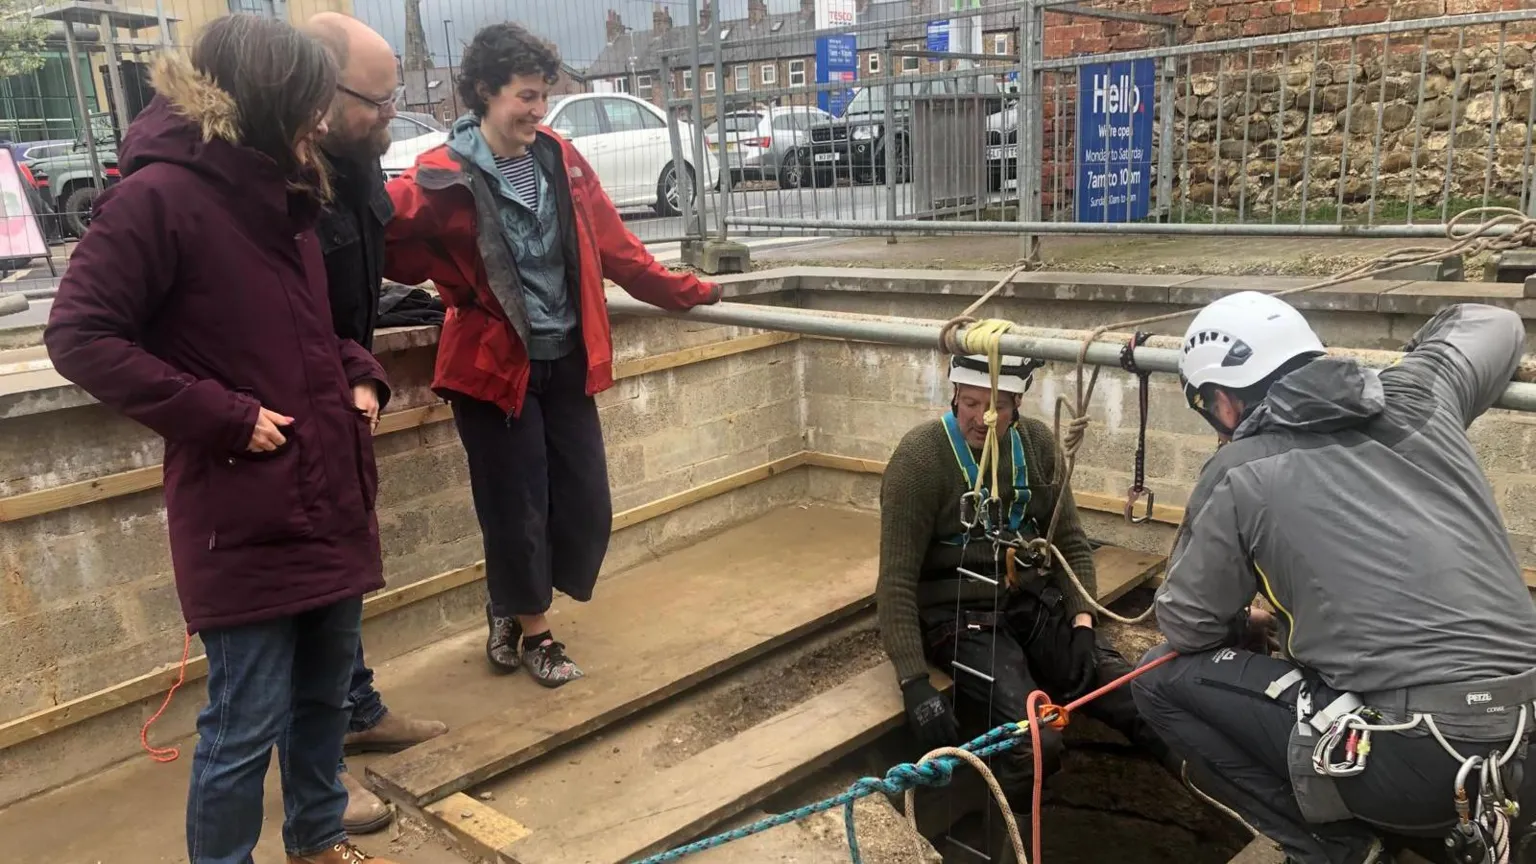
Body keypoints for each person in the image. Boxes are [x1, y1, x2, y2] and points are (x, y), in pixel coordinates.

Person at [42, 15, 400, 864]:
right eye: (310, 106)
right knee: (244, 724)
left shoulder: (285, 192)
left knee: (322, 703)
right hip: (243, 509)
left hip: (328, 495)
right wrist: (225, 417)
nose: (321, 124)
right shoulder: (158, 198)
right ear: (266, 101)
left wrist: (360, 371)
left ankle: (317, 841)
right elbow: (79, 336)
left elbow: (309, 329)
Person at [1131, 292, 1536, 864]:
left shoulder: (1240, 467)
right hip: (1525, 742)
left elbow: (1187, 624)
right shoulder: (1421, 391)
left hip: (1416, 760)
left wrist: (1251, 611)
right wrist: (1406, 364)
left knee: (1155, 679)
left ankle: (1336, 849)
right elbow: (1494, 321)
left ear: (1222, 403)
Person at [382, 22, 722, 687]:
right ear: (484, 92)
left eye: (543, 97)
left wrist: (688, 291)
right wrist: (450, 281)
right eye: (526, 96)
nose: (538, 110)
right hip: (490, 370)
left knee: (585, 502)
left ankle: (509, 605)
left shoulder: (560, 160)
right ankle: (537, 632)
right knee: (517, 506)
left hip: (565, 359)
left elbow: (618, 250)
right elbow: (383, 235)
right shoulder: (440, 174)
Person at [877, 354, 1173, 828]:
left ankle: (1232, 795)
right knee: (1036, 740)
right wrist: (914, 682)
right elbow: (894, 581)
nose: (978, 417)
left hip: (1026, 600)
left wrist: (1081, 624)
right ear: (955, 396)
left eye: (994, 407)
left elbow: (1071, 541)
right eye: (969, 403)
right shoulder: (921, 460)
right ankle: (1005, 833)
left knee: (1134, 696)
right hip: (959, 616)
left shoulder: (1034, 445)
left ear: (1016, 404)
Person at [304, 11, 449, 836]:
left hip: (344, 397)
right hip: (287, 423)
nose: (392, 118)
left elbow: (366, 268)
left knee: (346, 585)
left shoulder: (352, 167)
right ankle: (318, 783)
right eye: (380, 102)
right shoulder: (280, 178)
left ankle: (358, 709)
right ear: (318, 95)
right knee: (309, 606)